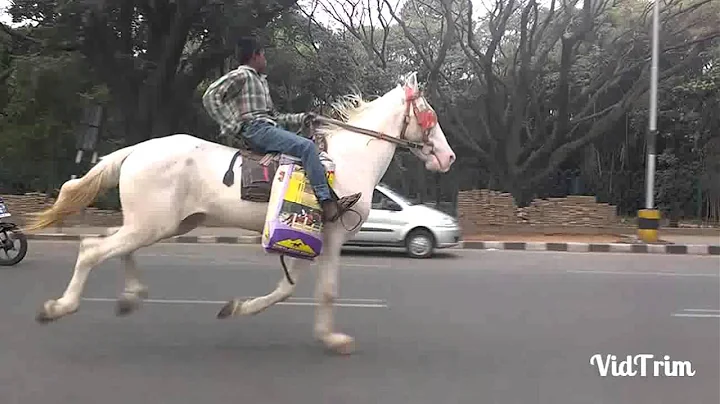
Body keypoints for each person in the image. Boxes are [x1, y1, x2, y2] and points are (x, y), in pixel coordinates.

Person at [202, 36, 361, 223]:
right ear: (255, 56)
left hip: (268, 127)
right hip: (257, 130)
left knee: (309, 145)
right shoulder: (242, 75)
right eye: (264, 55)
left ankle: (316, 200)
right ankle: (327, 204)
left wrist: (302, 117)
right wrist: (233, 125)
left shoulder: (260, 81)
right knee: (307, 148)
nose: (265, 60)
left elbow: (275, 117)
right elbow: (210, 95)